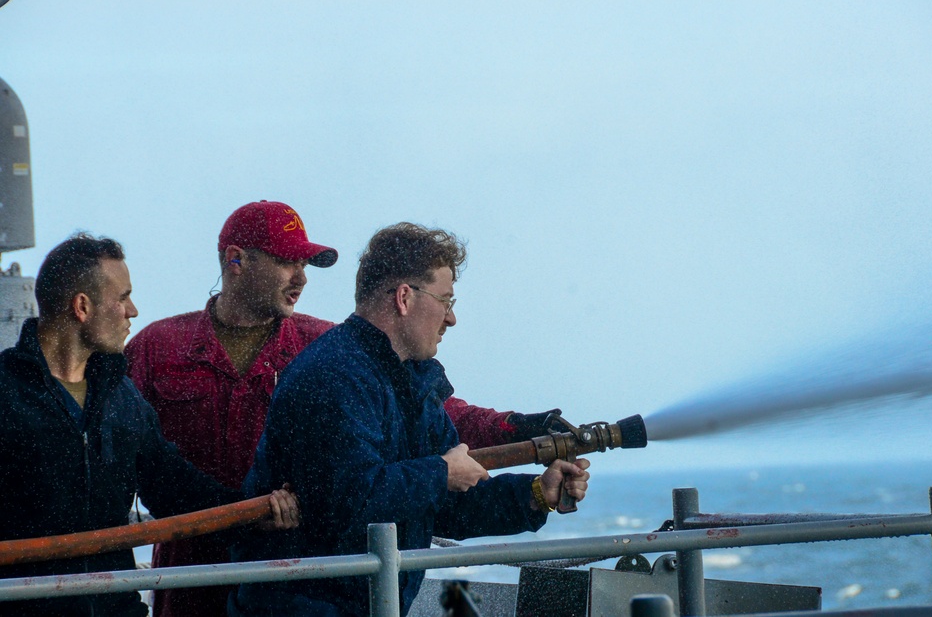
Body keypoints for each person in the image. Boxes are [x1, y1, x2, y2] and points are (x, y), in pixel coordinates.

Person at [125, 201, 563, 617]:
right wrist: (239, 513)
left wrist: (525, 458)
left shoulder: (333, 348)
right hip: (199, 566)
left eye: (305, 265)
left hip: (289, 565)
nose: (301, 278)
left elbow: (445, 426)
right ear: (236, 260)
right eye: (287, 262)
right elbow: (136, 464)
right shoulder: (157, 347)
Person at [228, 222, 591, 616]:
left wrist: (537, 494)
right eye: (446, 301)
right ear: (404, 297)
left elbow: (444, 504)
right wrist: (440, 473)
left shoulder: (411, 381)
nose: (451, 319)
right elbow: (347, 501)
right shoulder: (334, 375)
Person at [0, 234, 298, 617]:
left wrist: (256, 514)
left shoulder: (119, 396)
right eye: (122, 298)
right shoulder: (7, 394)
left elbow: (173, 486)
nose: (133, 311)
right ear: (82, 306)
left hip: (116, 607)